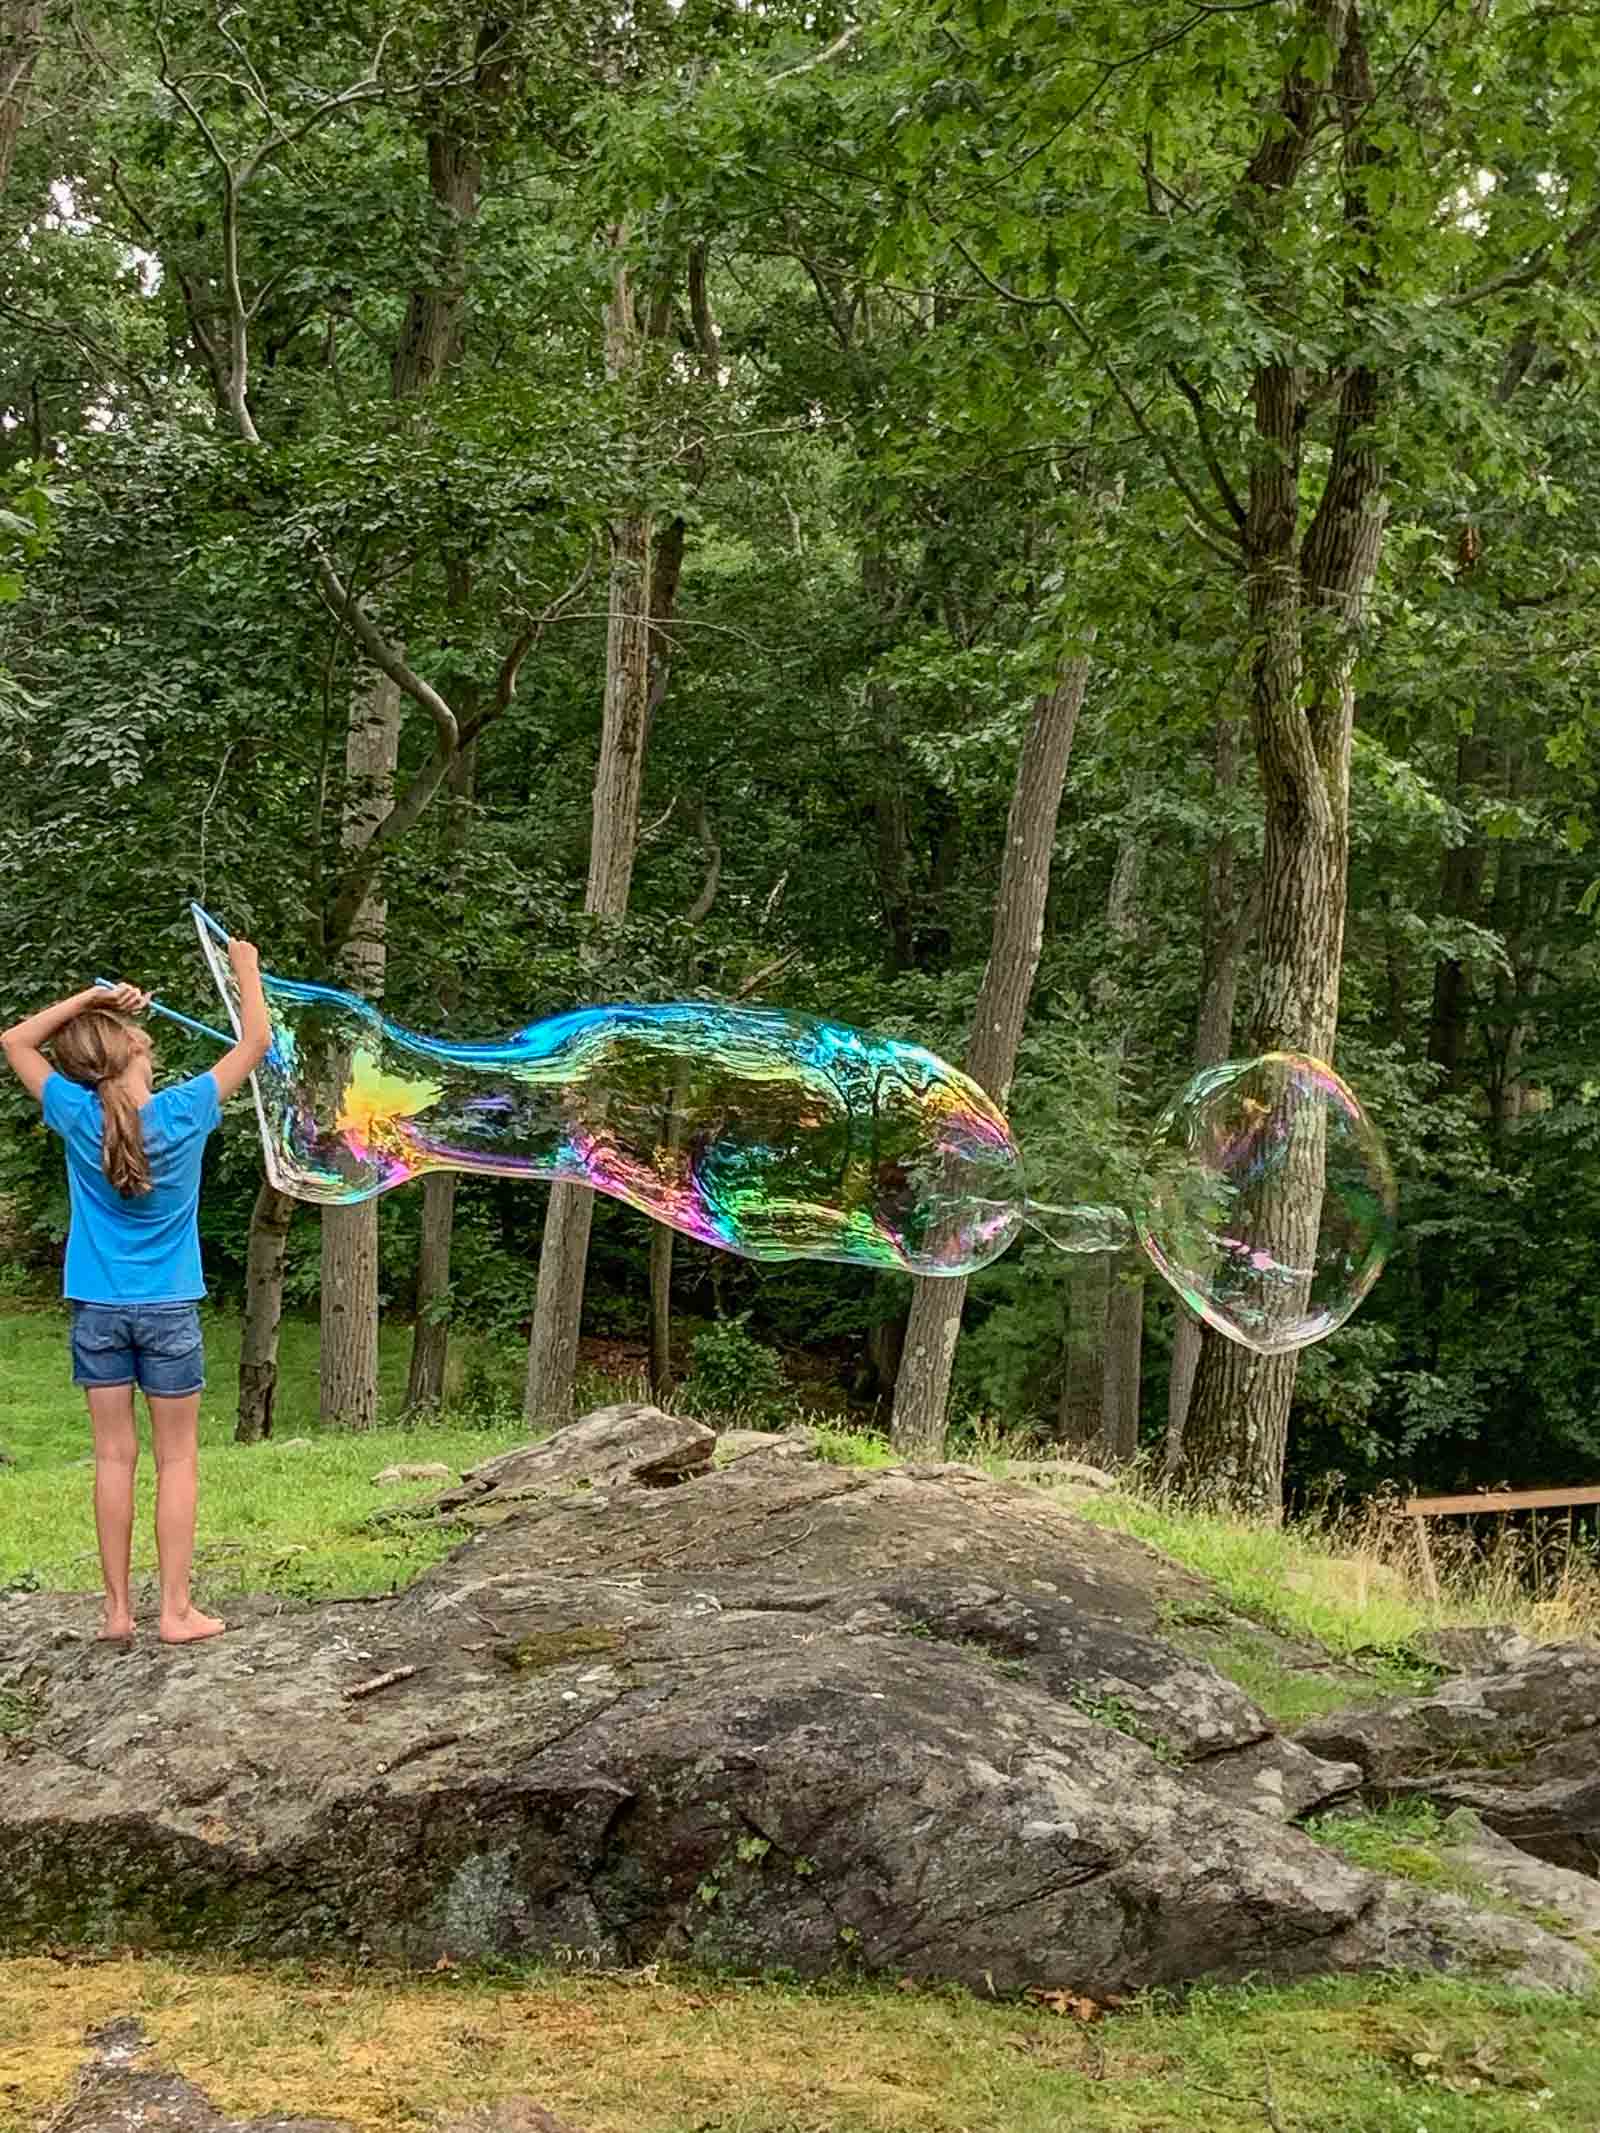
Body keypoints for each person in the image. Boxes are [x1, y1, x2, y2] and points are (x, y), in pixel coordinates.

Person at [1, 939, 271, 1645]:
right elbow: (258, 1040)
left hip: (97, 1307)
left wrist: (89, 1001)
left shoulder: (77, 1114)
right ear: (130, 1052)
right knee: (176, 1458)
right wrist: (244, 966)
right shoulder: (185, 1110)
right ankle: (175, 1612)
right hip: (169, 1310)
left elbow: (15, 1039)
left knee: (113, 1456)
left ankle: (118, 1612)